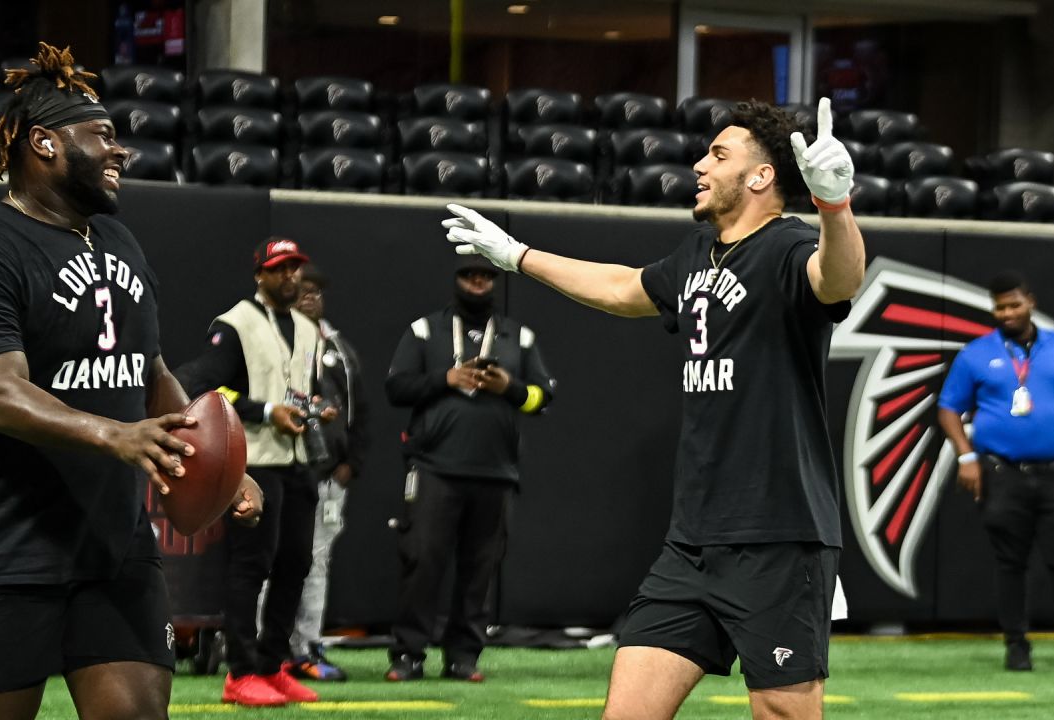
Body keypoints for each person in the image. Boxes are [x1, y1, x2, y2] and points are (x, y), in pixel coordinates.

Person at [442, 97, 864, 719]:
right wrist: (517, 256)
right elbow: (620, 289)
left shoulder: (789, 245)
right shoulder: (698, 252)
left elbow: (839, 279)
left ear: (761, 176)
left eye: (717, 154)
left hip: (778, 535)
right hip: (693, 539)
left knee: (782, 711)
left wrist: (835, 205)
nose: (699, 165)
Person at [0, 43, 262, 720]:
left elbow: (149, 369)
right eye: (102, 136)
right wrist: (117, 437)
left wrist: (218, 463)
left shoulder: (119, 242)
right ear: (43, 143)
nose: (120, 151)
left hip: (111, 545)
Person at [384, 253, 556, 683]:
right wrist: (447, 379)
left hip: (496, 471)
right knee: (422, 561)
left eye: (485, 276)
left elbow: (543, 397)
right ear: (457, 279)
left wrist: (509, 387)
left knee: (480, 568)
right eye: (470, 275)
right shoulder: (426, 330)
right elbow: (396, 387)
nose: (478, 282)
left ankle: (464, 657)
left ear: (495, 282)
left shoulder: (520, 336)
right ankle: (408, 655)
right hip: (434, 466)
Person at [177, 237, 334, 707]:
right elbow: (202, 388)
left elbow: (300, 387)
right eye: (279, 269)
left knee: (296, 565)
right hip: (256, 461)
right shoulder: (235, 323)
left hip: (298, 458)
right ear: (260, 275)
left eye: (294, 268)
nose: (289, 277)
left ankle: (273, 664)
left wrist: (313, 407)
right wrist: (266, 411)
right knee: (251, 566)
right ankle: (240, 671)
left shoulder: (309, 328)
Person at [938, 271, 1054, 672]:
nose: (1006, 312)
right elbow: (948, 409)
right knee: (1010, 562)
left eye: (1013, 304)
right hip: (1002, 472)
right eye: (999, 307)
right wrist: (965, 457)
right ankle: (1016, 644)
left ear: (1030, 301)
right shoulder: (977, 353)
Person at [286, 263, 369, 682]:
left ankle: (307, 645)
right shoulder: (276, 341)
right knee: (274, 564)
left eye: (317, 291)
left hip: (327, 476)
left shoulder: (339, 348)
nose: (310, 297)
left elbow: (361, 413)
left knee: (316, 563)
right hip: (283, 469)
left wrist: (351, 464)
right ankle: (270, 647)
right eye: (302, 290)